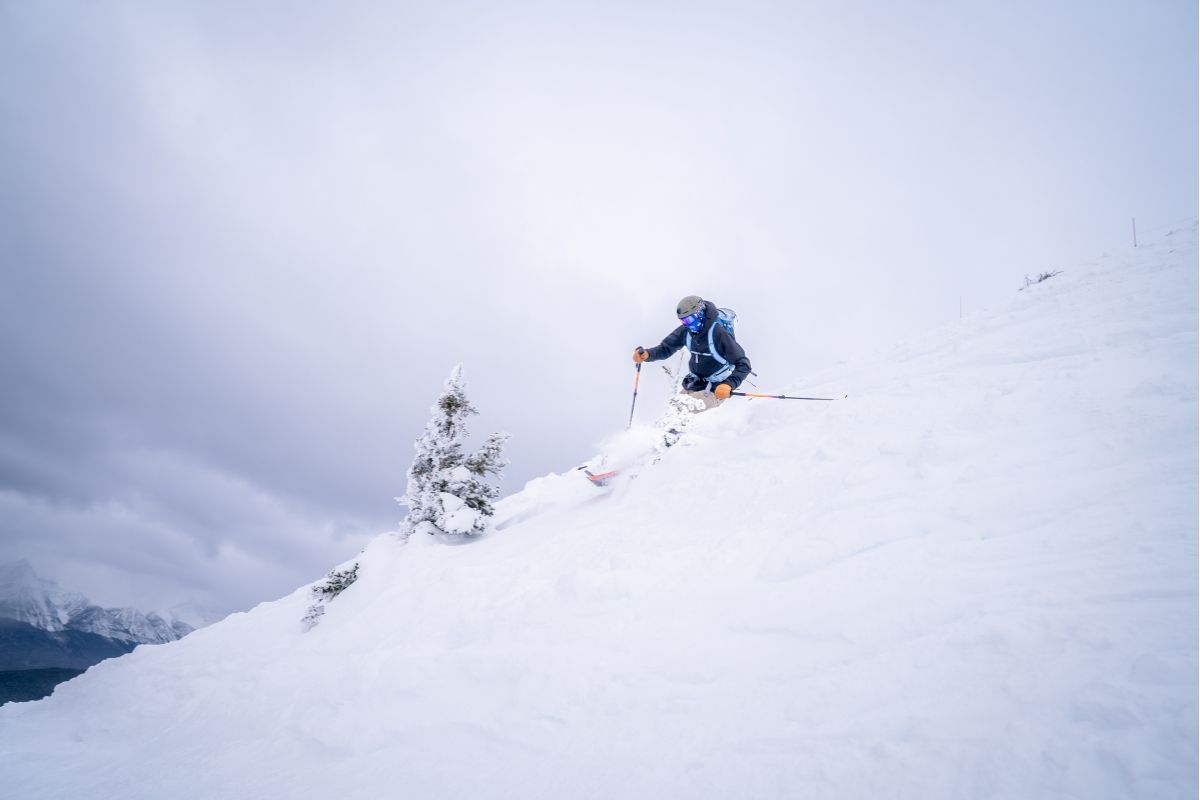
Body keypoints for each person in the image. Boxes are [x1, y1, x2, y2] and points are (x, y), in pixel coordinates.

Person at [633, 295, 752, 410]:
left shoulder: (719, 333)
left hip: (716, 389)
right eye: (683, 321)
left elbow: (743, 364)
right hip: (695, 384)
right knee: (673, 408)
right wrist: (647, 355)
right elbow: (666, 348)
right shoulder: (687, 330)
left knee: (681, 409)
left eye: (689, 319)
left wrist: (729, 385)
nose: (686, 324)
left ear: (699, 314)